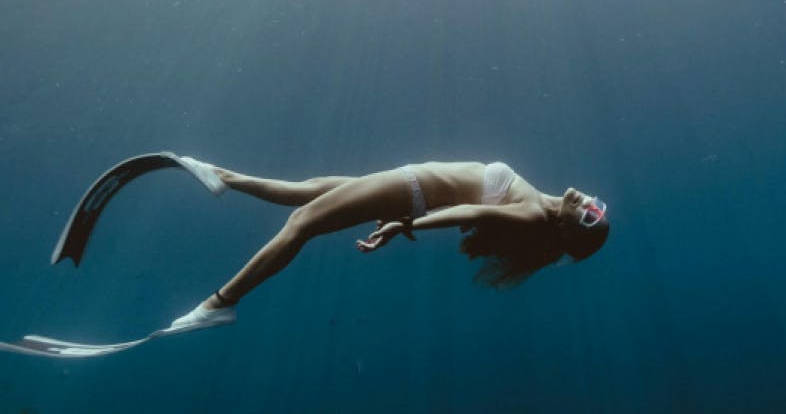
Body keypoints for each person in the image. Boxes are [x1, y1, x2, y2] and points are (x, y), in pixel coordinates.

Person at [170, 159, 609, 331]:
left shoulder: (534, 214)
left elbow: (469, 214)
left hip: (412, 191)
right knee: (312, 189)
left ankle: (220, 303)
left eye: (589, 215)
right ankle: (223, 178)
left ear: (571, 231)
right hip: (410, 186)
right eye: (597, 204)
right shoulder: (544, 204)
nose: (589, 202)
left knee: (301, 222)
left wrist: (406, 222)